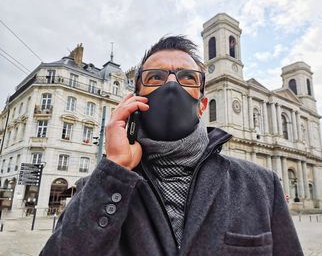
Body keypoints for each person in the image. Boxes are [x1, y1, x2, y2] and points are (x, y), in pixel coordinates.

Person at [40, 36, 304, 256]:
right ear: (134, 101)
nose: (171, 84)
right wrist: (116, 168)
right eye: (155, 77)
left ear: (202, 106)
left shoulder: (261, 186)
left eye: (188, 78)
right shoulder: (99, 187)